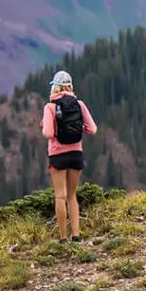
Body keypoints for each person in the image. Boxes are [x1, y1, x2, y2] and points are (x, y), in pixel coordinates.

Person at [41, 70, 98, 242]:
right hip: (76, 154)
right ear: (70, 86)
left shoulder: (50, 107)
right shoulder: (79, 104)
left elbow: (48, 133)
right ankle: (76, 235)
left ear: (55, 87)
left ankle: (63, 237)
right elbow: (93, 129)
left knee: (60, 196)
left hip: (58, 155)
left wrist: (45, 124)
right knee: (72, 195)